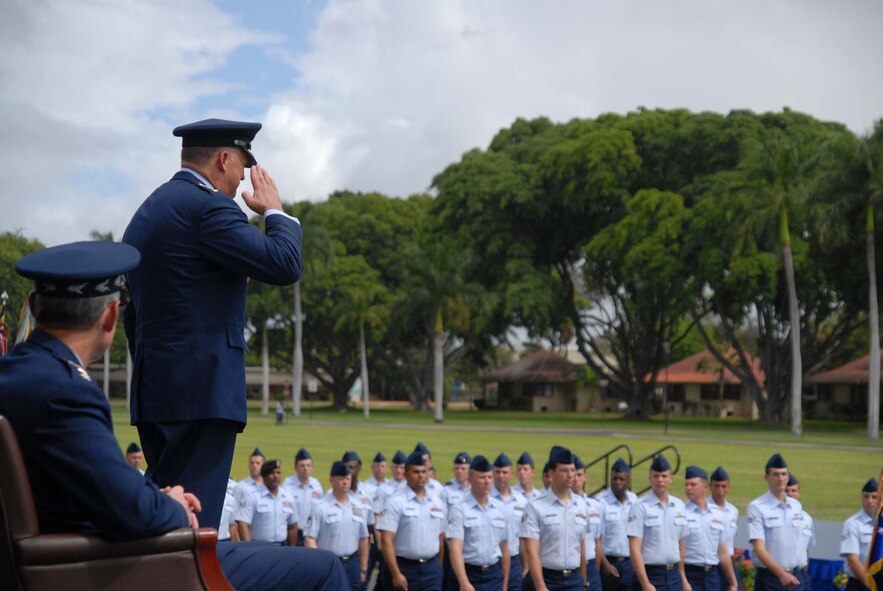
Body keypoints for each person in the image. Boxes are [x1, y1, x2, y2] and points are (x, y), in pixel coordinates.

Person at [0, 241, 347, 590]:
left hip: (69, 554)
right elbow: (131, 513)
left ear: (33, 304)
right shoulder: (69, 392)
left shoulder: (15, 374)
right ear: (110, 316)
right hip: (111, 563)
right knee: (325, 568)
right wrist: (177, 506)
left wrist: (154, 498)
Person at [123, 118, 303, 529]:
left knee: (168, 513)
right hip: (202, 395)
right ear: (223, 159)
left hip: (158, 391)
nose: (242, 177)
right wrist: (275, 211)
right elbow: (284, 263)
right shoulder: (207, 208)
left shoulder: (149, 211)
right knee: (194, 525)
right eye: (242, 164)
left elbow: (135, 315)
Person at [520, 445, 588, 591]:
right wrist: (540, 586)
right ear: (551, 473)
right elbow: (532, 551)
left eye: (572, 469)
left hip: (574, 579)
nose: (570, 475)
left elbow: (581, 545)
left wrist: (583, 580)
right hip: (547, 579)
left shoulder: (581, 505)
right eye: (564, 470)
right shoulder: (535, 506)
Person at [378, 450, 446, 591]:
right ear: (406, 474)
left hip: (431, 569)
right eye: (416, 472)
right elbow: (386, 540)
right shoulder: (395, 502)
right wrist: (396, 573)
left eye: (423, 471)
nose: (420, 476)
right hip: (405, 568)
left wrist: (438, 567)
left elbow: (440, 538)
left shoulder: (437, 502)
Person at [746, 454, 810, 591]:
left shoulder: (796, 506)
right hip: (772, 578)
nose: (780, 478)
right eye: (775, 474)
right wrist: (782, 575)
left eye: (783, 474)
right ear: (766, 477)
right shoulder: (757, 507)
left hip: (797, 576)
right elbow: (759, 548)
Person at [447, 455, 510, 591]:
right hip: (469, 573)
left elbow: (504, 547)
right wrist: (464, 583)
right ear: (470, 479)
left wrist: (504, 584)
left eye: (489, 477)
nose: (487, 482)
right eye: (482, 478)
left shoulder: (499, 508)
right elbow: (455, 549)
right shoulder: (459, 509)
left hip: (493, 574)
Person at [627, 454, 689, 591]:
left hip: (674, 575)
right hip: (651, 574)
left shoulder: (679, 506)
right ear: (650, 478)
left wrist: (683, 579)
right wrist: (645, 584)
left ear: (671, 479)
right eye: (656, 476)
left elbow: (681, 545)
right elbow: (634, 549)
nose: (660, 480)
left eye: (664, 476)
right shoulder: (640, 507)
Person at [305, 461, 370, 591]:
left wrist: (363, 568)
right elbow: (309, 539)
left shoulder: (358, 507)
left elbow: (363, 538)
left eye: (348, 478)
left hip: (352, 564)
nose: (345, 482)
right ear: (331, 480)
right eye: (340, 479)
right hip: (330, 563)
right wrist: (319, 564)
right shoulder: (320, 508)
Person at [682, 466, 737, 591]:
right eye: (686, 485)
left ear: (705, 487)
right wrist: (684, 581)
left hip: (712, 574)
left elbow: (723, 551)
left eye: (693, 485)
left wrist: (733, 582)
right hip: (691, 572)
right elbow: (678, 550)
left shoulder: (717, 514)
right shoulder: (681, 513)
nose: (688, 488)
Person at [597, 457, 638, 591]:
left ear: (629, 481)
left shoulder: (635, 501)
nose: (618, 482)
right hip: (609, 563)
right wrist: (605, 565)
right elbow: (596, 539)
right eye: (615, 478)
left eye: (622, 479)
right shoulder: (601, 502)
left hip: (629, 564)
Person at [237, 459, 299, 545]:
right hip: (260, 545)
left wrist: (291, 549)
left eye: (278, 473)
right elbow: (243, 524)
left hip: (282, 546)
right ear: (264, 476)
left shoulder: (288, 496)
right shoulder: (252, 496)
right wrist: (249, 547)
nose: (276, 476)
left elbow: (293, 526)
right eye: (272, 473)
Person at [491, 452, 528, 591]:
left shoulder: (521, 501)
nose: (501, 476)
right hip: (492, 561)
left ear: (511, 474)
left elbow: (524, 537)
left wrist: (526, 567)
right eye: (498, 472)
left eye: (505, 472)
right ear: (493, 473)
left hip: (514, 560)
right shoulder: (485, 498)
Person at [840, 478, 880, 591]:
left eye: (874, 497)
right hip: (860, 584)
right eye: (866, 496)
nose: (870, 501)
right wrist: (872, 585)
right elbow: (853, 560)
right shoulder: (852, 524)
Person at [572, 455, 605, 591]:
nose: (576, 479)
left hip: (591, 566)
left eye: (580, 475)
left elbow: (597, 541)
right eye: (573, 474)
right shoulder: (562, 506)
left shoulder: (595, 506)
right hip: (572, 565)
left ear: (585, 477)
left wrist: (596, 569)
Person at [283, 447, 324, 545]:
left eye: (308, 465)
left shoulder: (316, 485)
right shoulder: (288, 485)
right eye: (302, 465)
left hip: (312, 535)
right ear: (295, 467)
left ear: (312, 467)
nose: (305, 468)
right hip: (294, 534)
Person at [709, 467, 740, 591]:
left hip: (729, 561)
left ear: (729, 487)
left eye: (723, 486)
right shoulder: (704, 509)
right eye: (716, 486)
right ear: (710, 486)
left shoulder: (733, 511)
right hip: (712, 562)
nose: (720, 490)